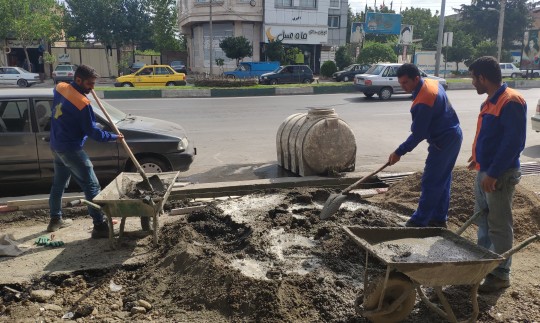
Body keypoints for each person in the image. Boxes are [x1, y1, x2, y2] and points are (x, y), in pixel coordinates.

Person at [467, 56, 526, 293]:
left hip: (499, 175)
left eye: (473, 78)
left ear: (483, 78)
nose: (472, 83)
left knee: (499, 225)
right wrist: (478, 157)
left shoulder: (510, 101)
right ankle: (485, 265)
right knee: (483, 220)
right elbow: (489, 136)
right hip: (485, 171)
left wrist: (493, 172)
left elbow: (513, 143)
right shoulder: (491, 101)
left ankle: (501, 274)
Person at [47, 64, 124, 239]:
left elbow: (67, 104)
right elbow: (94, 133)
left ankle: (55, 219)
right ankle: (99, 225)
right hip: (71, 149)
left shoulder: (60, 88)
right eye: (89, 84)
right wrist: (114, 137)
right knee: (92, 185)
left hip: (56, 145)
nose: (92, 88)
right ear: (78, 80)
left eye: (94, 83)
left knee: (58, 185)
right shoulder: (83, 103)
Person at [388, 63, 462, 228]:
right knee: (442, 180)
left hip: (444, 140)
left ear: (416, 78)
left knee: (431, 181)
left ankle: (419, 222)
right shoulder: (431, 83)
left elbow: (418, 134)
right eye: (400, 83)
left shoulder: (424, 100)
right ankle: (439, 218)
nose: (403, 87)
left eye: (405, 83)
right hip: (452, 135)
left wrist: (399, 152)